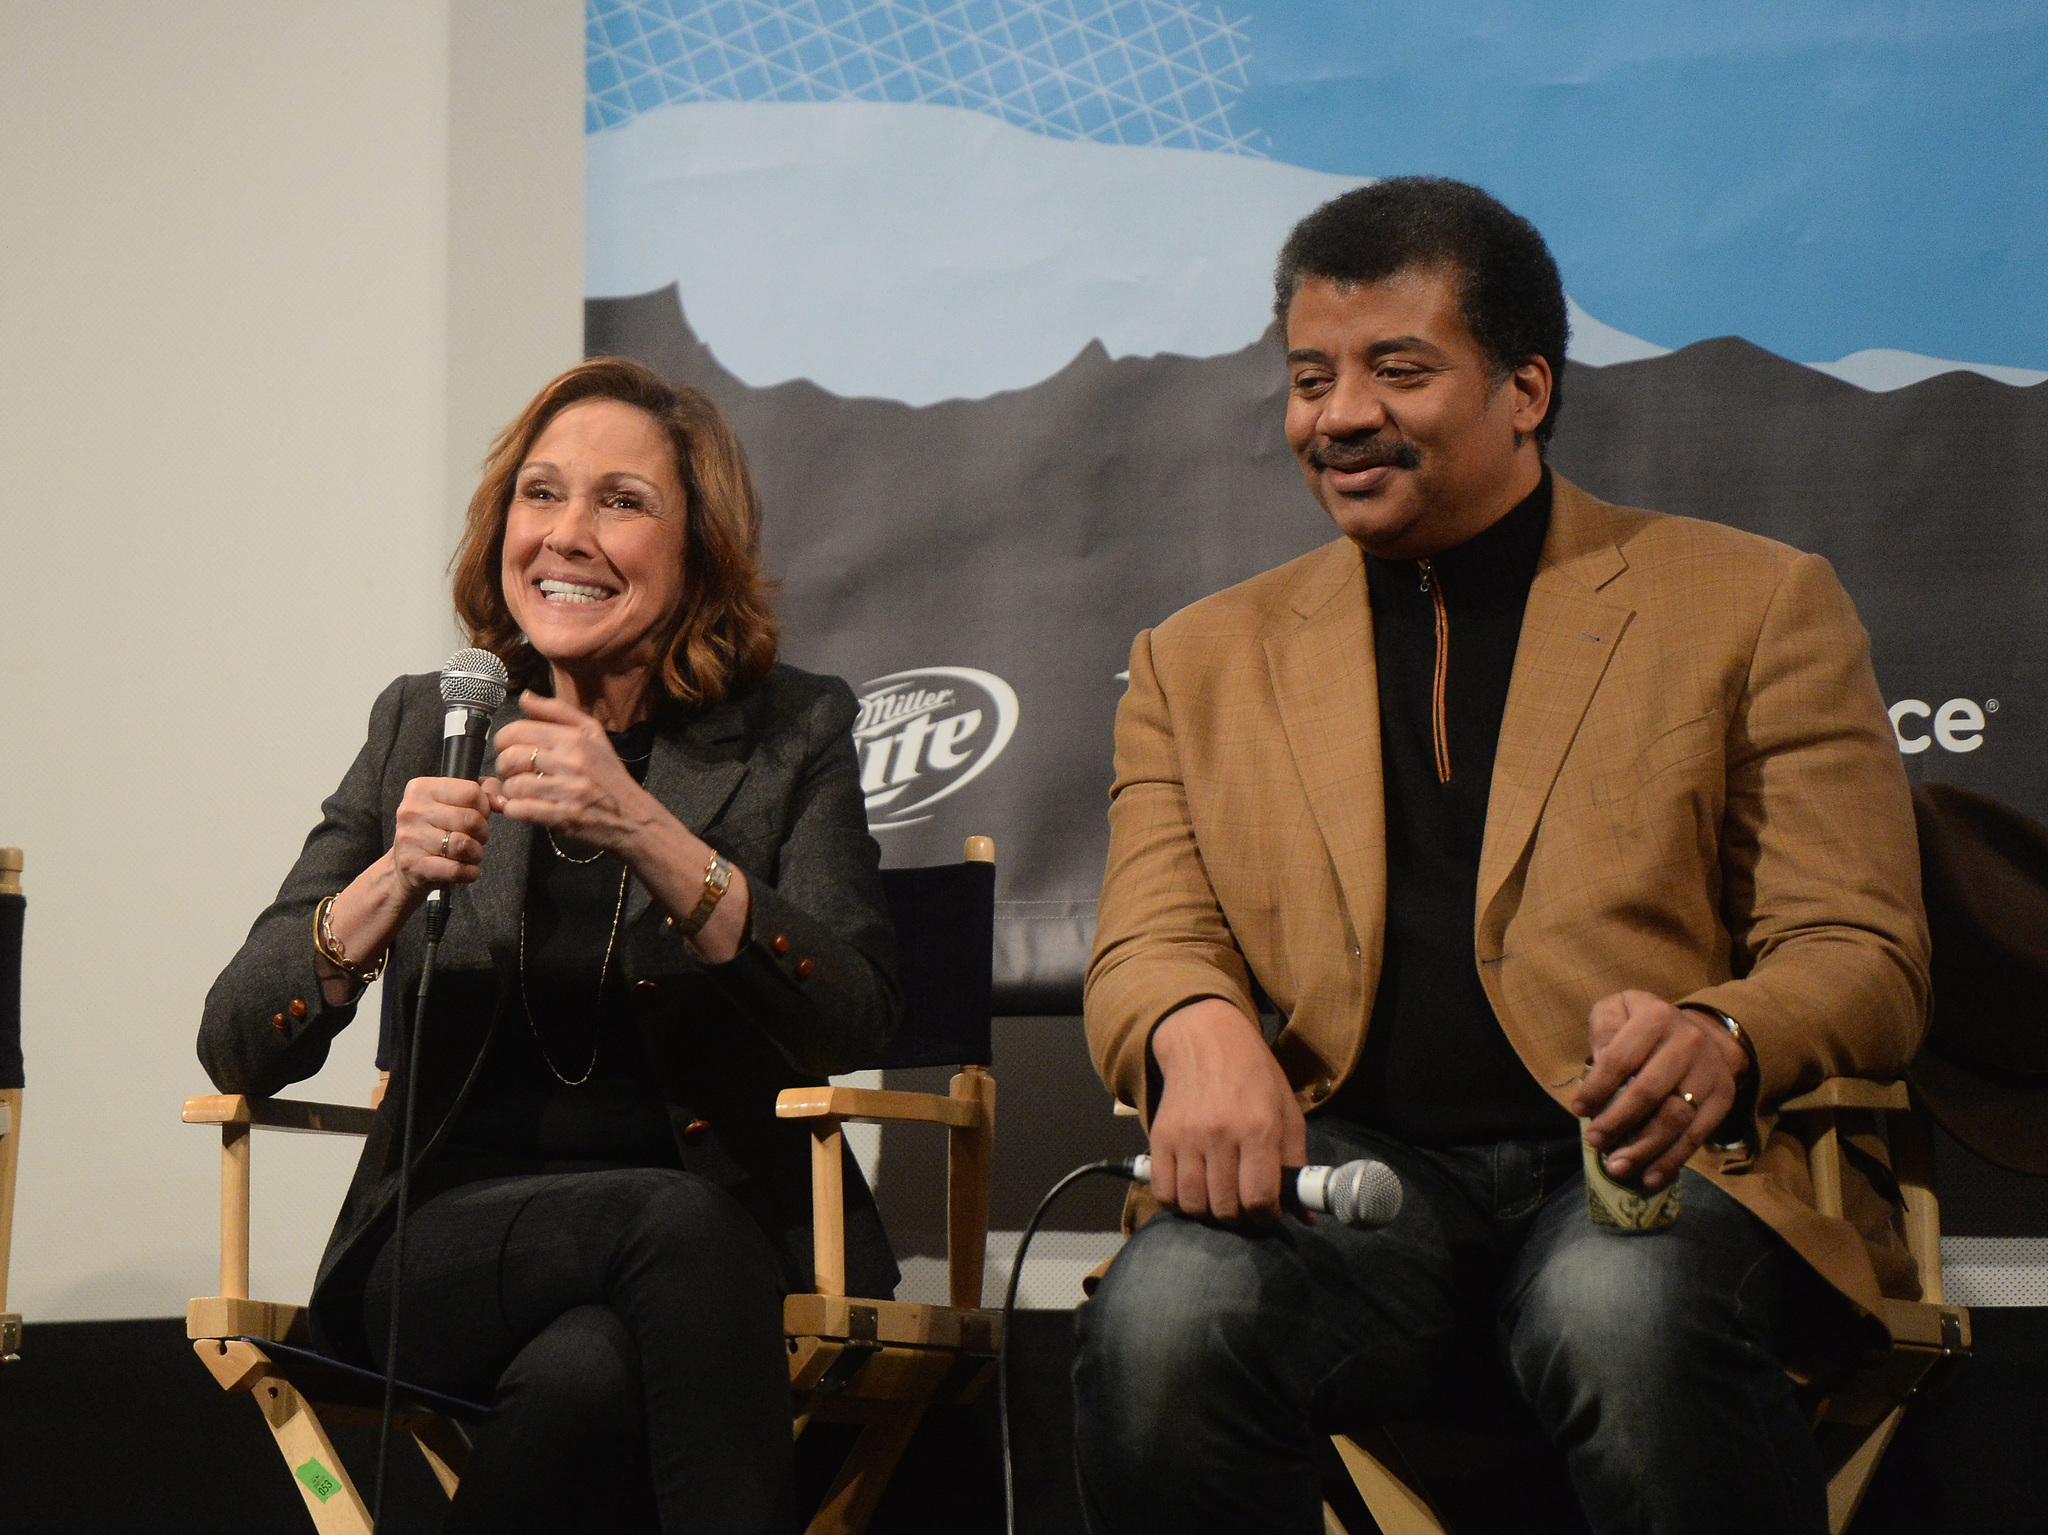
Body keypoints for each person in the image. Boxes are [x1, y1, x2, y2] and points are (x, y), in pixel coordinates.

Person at [1075, 179, 1929, 1535]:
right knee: (1168, 1311)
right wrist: (1191, 1022)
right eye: (1310, 376)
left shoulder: (1751, 601)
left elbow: (1863, 950)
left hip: (1647, 1171)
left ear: (1526, 388)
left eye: (1396, 368)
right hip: (1352, 1181)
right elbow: (1146, 939)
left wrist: (1723, 1029)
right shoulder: (1198, 659)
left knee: (1615, 1301)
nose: (1338, 412)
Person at [199, 357, 899, 1534]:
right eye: (540, 494)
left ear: (699, 547)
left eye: (620, 502)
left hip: (708, 1266)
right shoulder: (426, 721)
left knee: (585, 1372)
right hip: (438, 1250)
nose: (566, 535)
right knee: (670, 1236)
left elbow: (854, 1011)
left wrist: (645, 828)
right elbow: (235, 1041)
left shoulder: (790, 733)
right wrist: (386, 879)